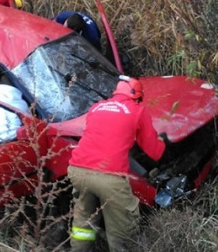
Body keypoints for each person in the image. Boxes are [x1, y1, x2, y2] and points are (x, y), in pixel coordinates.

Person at [68, 76, 166, 252]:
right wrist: (163, 141)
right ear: (137, 97)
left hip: (78, 171)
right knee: (122, 229)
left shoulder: (96, 107)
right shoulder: (137, 111)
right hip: (109, 177)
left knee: (83, 222)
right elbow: (154, 151)